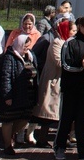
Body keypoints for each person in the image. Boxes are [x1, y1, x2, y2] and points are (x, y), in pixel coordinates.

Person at [53, 14, 84, 160]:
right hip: (71, 88)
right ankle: (59, 147)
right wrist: (81, 65)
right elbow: (65, 65)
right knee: (66, 118)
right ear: (80, 27)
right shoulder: (70, 43)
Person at [32, 19, 74, 147]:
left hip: (62, 80)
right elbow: (59, 62)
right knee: (49, 111)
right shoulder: (57, 42)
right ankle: (42, 138)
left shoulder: (66, 42)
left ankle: (61, 138)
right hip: (54, 79)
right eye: (73, 30)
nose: (74, 33)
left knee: (59, 111)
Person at [0, 34, 38, 155]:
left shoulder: (30, 56)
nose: (26, 48)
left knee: (25, 118)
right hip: (13, 94)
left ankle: (10, 136)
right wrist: (7, 96)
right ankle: (7, 145)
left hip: (27, 95)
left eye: (28, 45)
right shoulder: (10, 57)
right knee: (8, 119)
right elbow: (6, 77)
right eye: (25, 45)